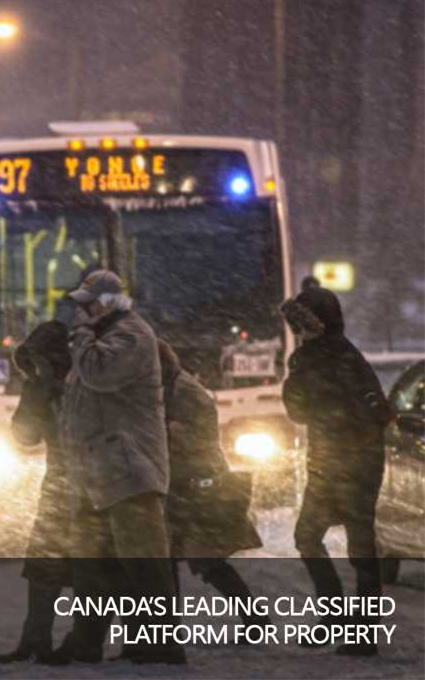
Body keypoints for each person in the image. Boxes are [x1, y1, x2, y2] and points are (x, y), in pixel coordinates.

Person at [54, 269, 185, 666]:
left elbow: (100, 374)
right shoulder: (107, 337)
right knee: (96, 566)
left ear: (107, 302)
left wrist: (79, 337)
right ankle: (87, 641)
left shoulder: (131, 336)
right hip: (103, 470)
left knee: (143, 564)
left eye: (87, 304)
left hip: (131, 469)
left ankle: (161, 645)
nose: (81, 311)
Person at [281, 286, 391, 656]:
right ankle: (346, 624)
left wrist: (299, 375)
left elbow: (304, 410)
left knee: (347, 544)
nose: (300, 331)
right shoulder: (333, 356)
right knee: (326, 539)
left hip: (348, 463)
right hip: (344, 462)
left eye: (304, 323)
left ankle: (352, 628)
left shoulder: (332, 357)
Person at [157, 340, 267, 632]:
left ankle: (253, 619)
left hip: (193, 485)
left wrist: (166, 431)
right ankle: (252, 619)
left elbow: (192, 437)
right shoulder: (178, 387)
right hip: (186, 483)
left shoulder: (182, 392)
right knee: (187, 559)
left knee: (203, 560)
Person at [0, 321, 73, 664]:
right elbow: (26, 437)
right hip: (62, 484)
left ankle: (81, 641)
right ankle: (35, 638)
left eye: (42, 359)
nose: (37, 366)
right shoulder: (42, 387)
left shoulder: (81, 383)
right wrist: (35, 394)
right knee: (44, 564)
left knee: (88, 568)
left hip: (88, 486)